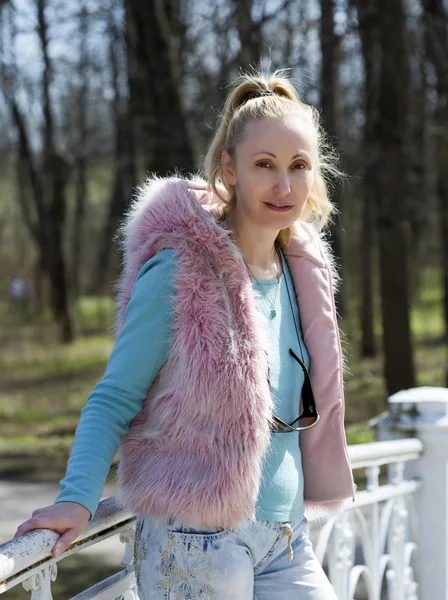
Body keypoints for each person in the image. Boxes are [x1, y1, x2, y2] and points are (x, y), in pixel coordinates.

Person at [15, 71, 355, 599]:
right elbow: (114, 398)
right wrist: (76, 498)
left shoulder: (302, 274)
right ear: (230, 169)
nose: (283, 185)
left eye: (298, 166)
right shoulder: (181, 271)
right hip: (193, 541)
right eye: (264, 165)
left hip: (287, 539)